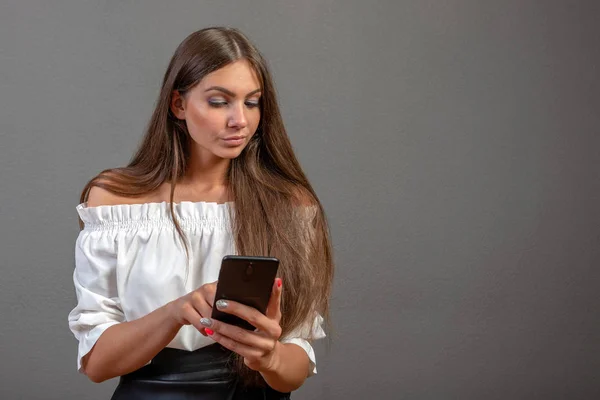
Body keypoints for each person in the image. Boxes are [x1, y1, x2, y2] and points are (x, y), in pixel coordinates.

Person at [67, 27, 333, 399]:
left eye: (252, 102)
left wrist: (269, 356)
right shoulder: (114, 201)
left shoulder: (289, 205)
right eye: (219, 101)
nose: (239, 120)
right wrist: (176, 312)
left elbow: (295, 369)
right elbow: (96, 364)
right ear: (178, 105)